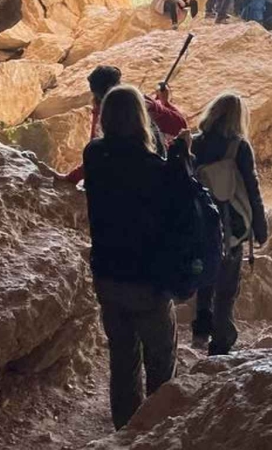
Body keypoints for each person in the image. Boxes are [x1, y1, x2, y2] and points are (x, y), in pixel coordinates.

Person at [82, 85, 184, 427]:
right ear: (141, 119)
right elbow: (174, 215)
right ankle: (156, 429)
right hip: (147, 279)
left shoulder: (94, 155)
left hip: (107, 273)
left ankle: (125, 429)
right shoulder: (154, 167)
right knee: (161, 358)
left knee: (123, 359)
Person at [190, 93, 268, 355]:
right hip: (230, 224)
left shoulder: (195, 143)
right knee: (226, 286)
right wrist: (260, 228)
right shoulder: (239, 147)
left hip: (200, 221)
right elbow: (252, 188)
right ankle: (221, 341)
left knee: (205, 275)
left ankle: (201, 328)